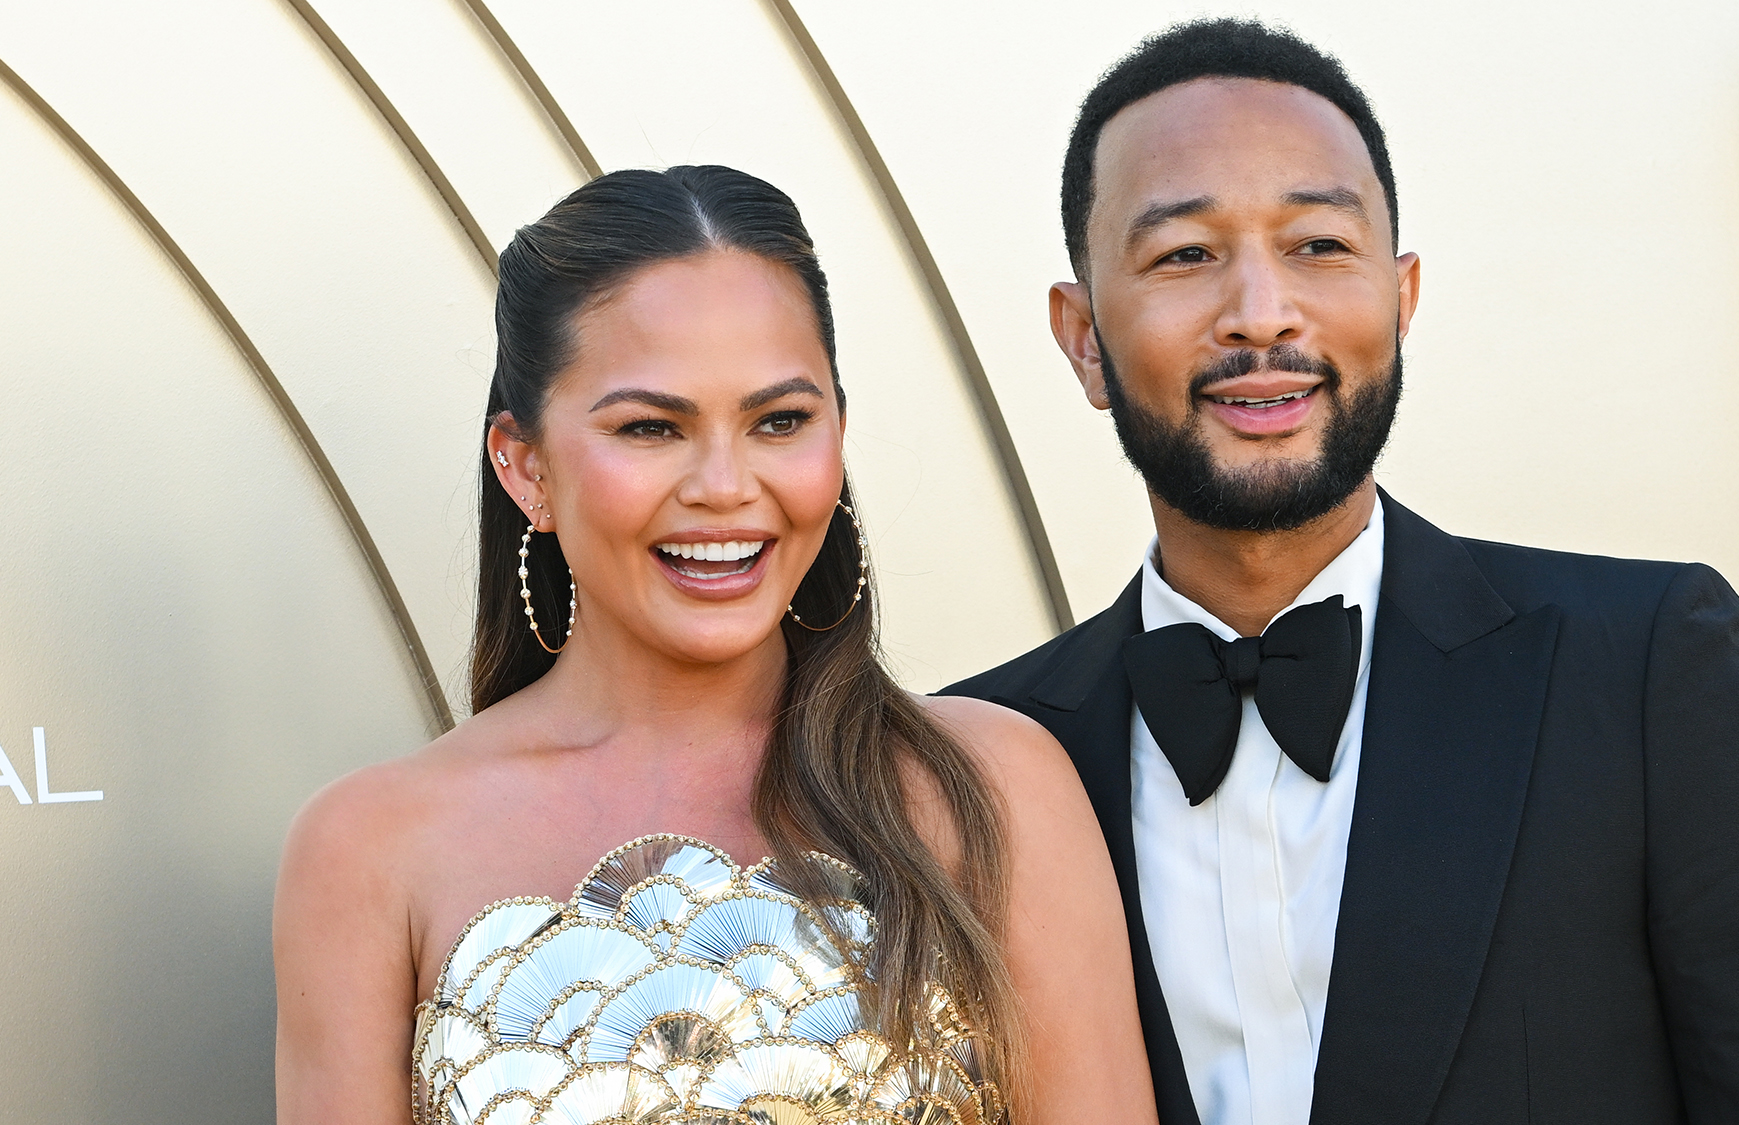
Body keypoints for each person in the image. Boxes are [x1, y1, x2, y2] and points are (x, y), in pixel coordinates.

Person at [943, 19, 1739, 1125]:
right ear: (1081, 337)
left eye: (1316, 246)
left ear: (1399, 299)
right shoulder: (975, 763)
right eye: (1183, 255)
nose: (1261, 314)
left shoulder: (1642, 671)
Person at [272, 166, 1157, 1125]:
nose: (726, 485)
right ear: (525, 467)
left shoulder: (995, 783)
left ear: (838, 434)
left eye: (780, 420)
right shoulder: (368, 849)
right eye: (652, 427)